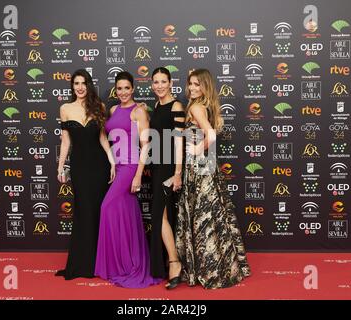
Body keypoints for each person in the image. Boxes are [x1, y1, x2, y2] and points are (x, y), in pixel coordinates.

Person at [176, 68, 251, 289]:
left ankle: (210, 269)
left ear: (205, 87)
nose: (192, 88)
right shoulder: (200, 105)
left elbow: (210, 134)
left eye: (197, 84)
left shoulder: (197, 107)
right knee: (211, 216)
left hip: (200, 167)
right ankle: (214, 266)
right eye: (190, 83)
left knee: (204, 216)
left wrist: (197, 149)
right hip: (205, 167)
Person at [94, 71, 161, 288]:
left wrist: (139, 174)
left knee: (107, 207)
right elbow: (102, 132)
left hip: (131, 167)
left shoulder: (139, 111)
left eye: (127, 88)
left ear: (133, 89)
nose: (123, 92)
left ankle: (126, 264)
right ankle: (123, 263)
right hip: (118, 165)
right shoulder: (113, 109)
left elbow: (146, 146)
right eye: (119, 88)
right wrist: (111, 160)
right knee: (126, 212)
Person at [56, 69, 115, 280]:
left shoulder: (98, 107)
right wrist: (61, 166)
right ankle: (83, 263)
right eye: (76, 83)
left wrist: (111, 161)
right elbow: (66, 141)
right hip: (79, 167)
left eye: (83, 83)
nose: (80, 87)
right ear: (72, 86)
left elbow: (102, 138)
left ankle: (100, 263)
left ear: (88, 85)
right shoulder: (65, 108)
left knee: (99, 212)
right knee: (84, 211)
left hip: (98, 166)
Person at [148, 67, 185, 289]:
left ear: (171, 83)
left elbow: (179, 141)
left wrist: (177, 172)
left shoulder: (177, 106)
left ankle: (174, 263)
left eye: (163, 81)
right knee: (163, 215)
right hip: (158, 165)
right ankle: (169, 262)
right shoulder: (157, 106)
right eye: (156, 82)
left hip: (170, 167)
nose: (159, 85)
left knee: (159, 216)